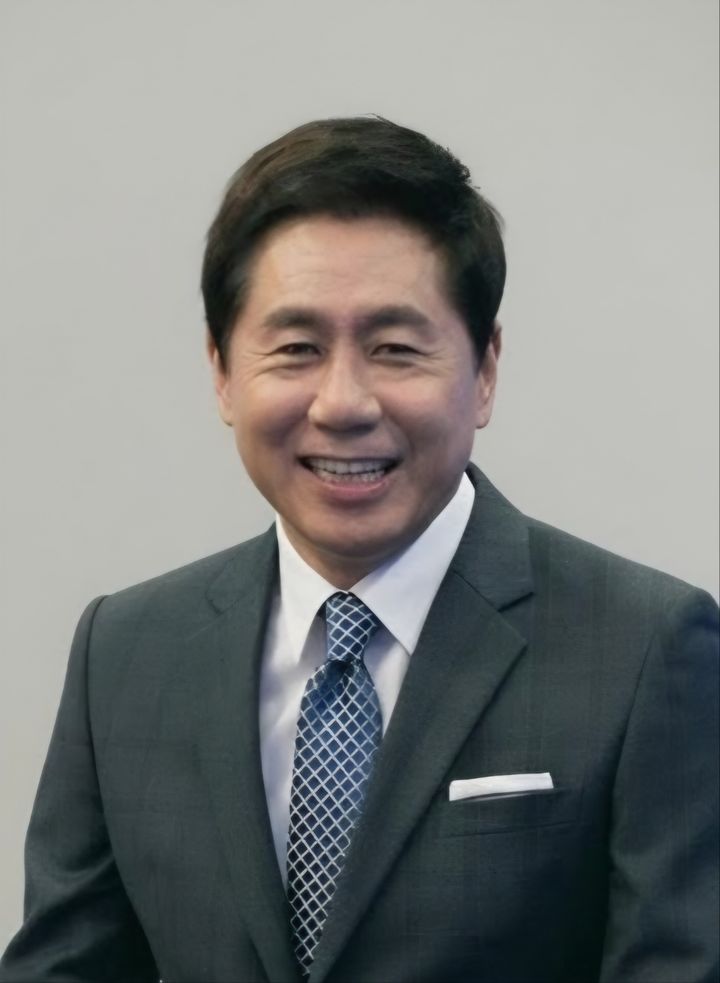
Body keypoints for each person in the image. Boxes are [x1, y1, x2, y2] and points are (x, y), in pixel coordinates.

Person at [1, 114, 717, 983]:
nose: (342, 402)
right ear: (222, 369)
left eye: (395, 349)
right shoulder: (124, 653)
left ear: (485, 369)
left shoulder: (647, 650)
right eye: (296, 348)